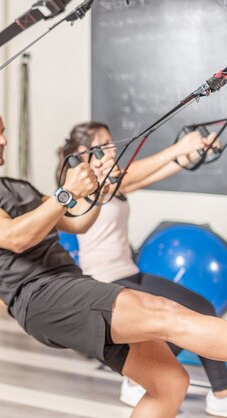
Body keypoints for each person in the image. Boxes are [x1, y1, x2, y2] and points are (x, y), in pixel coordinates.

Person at [0, 98, 227, 418]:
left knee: (170, 382)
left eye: (3, 131)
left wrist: (92, 192)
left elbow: (77, 222)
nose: (3, 140)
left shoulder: (17, 186)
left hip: (70, 283)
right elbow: (15, 238)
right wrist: (66, 192)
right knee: (166, 312)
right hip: (40, 295)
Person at [57, 121, 227, 416]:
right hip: (103, 281)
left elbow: (165, 167)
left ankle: (206, 391)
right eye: (105, 143)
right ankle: (201, 388)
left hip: (129, 271)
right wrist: (179, 148)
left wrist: (194, 150)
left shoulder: (115, 183)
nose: (113, 148)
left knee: (202, 307)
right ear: (85, 152)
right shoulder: (84, 188)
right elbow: (148, 165)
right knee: (180, 320)